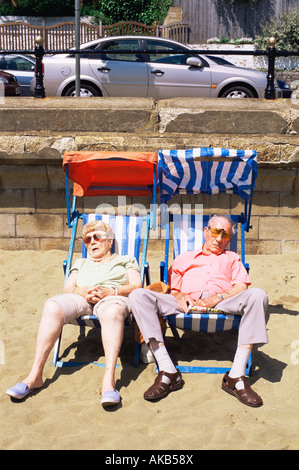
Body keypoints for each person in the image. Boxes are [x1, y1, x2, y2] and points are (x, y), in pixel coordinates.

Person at [129, 214, 268, 407]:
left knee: (258, 294)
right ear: (206, 232)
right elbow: (174, 289)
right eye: (216, 232)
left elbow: (241, 287)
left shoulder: (232, 258)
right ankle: (167, 369)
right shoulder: (184, 258)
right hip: (185, 303)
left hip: (221, 303)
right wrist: (180, 295)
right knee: (138, 296)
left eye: (226, 235)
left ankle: (236, 376)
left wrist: (216, 298)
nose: (219, 239)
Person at [6, 220, 142, 407]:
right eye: (87, 239)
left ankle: (109, 382)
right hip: (83, 297)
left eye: (97, 237)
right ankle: (35, 376)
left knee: (112, 311)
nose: (91, 242)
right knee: (52, 305)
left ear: (109, 241)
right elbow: (68, 288)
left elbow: (137, 286)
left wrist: (112, 291)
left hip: (112, 297)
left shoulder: (125, 260)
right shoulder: (81, 262)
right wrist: (82, 291)